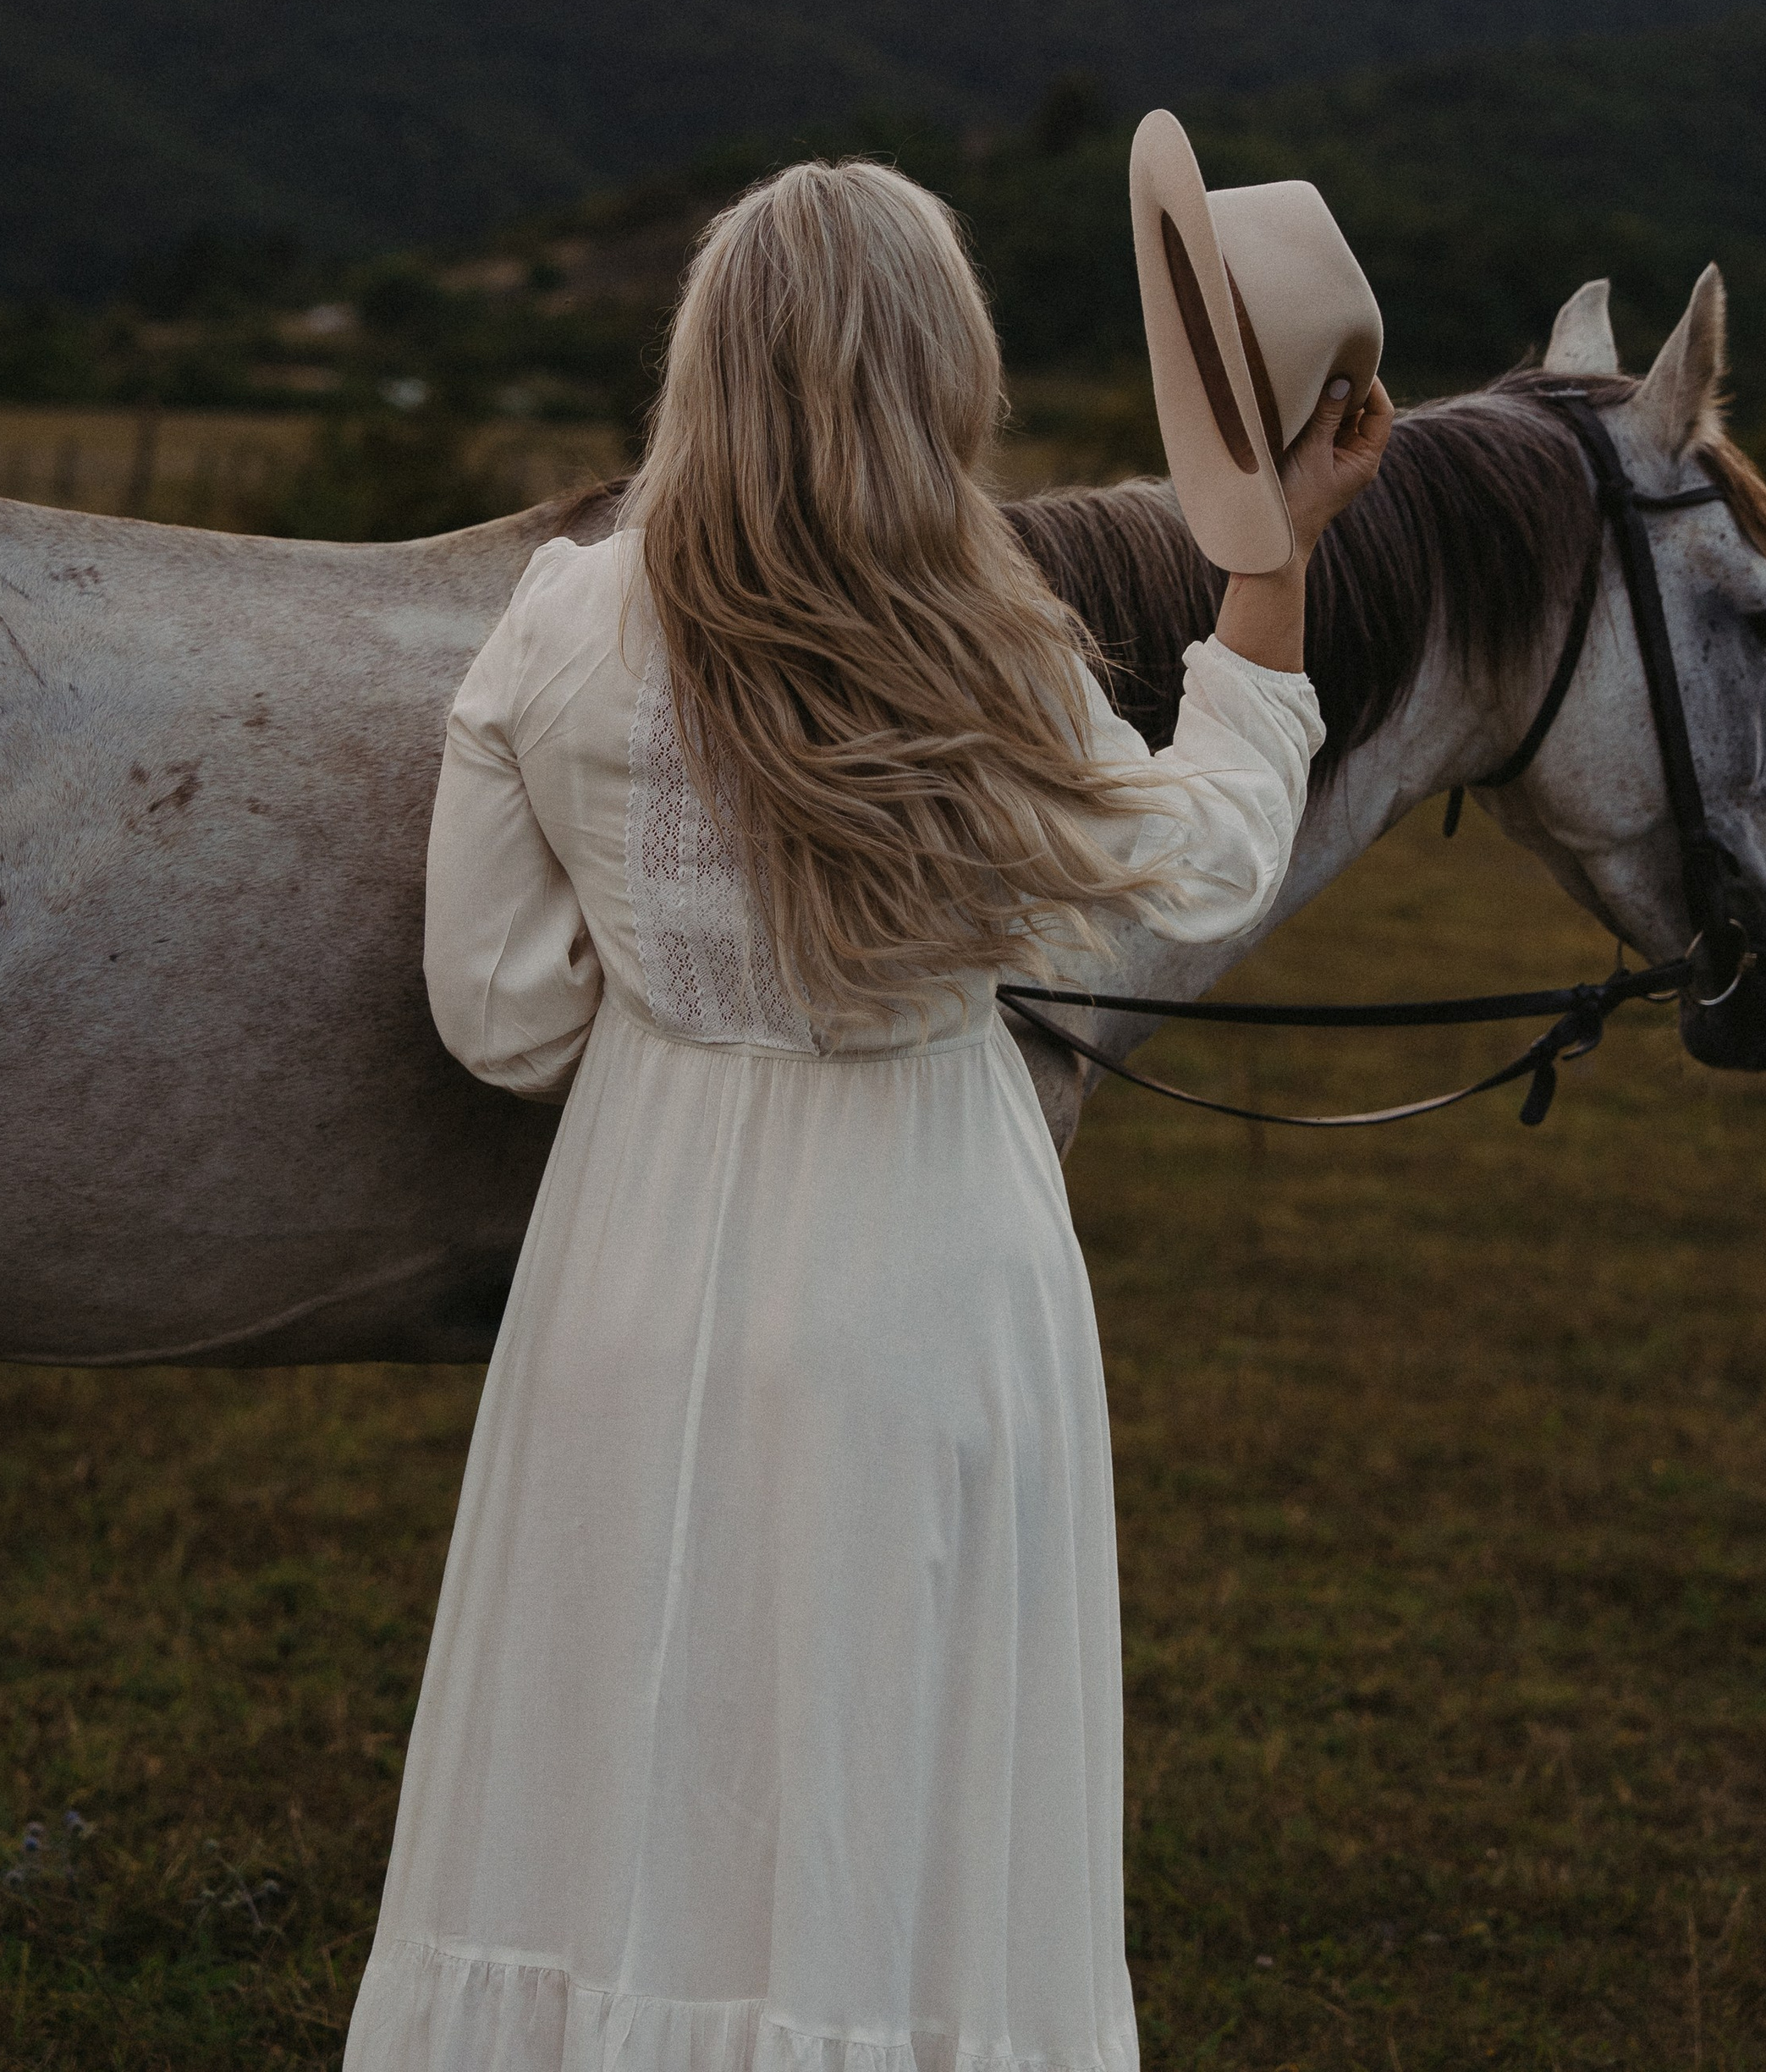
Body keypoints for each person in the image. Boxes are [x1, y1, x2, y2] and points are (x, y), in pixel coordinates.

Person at [344, 158, 1393, 2072]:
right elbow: (1208, 869)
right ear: (945, 379)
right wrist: (1269, 558)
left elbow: (494, 1012)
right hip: (927, 1258)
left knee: (614, 1763)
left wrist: (687, 1010)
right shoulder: (994, 646)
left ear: (705, 364)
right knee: (890, 1764)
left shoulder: (564, 622)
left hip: (633, 1256)